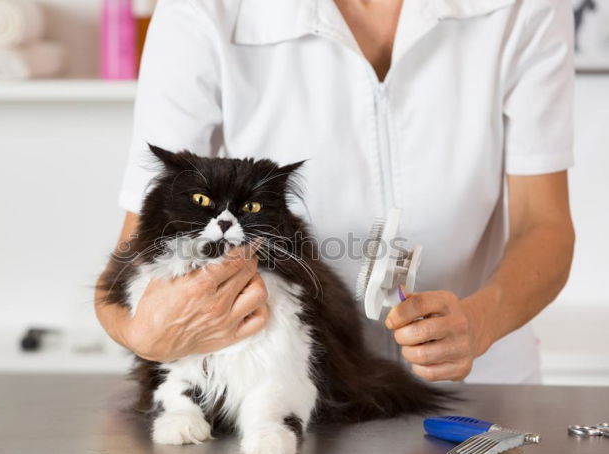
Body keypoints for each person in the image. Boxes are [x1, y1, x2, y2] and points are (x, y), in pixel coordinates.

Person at [95, 0, 575, 384]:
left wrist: (481, 322)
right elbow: (129, 259)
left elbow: (545, 224)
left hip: (481, 384)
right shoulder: (200, 12)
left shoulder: (524, 8)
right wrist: (147, 336)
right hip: (292, 380)